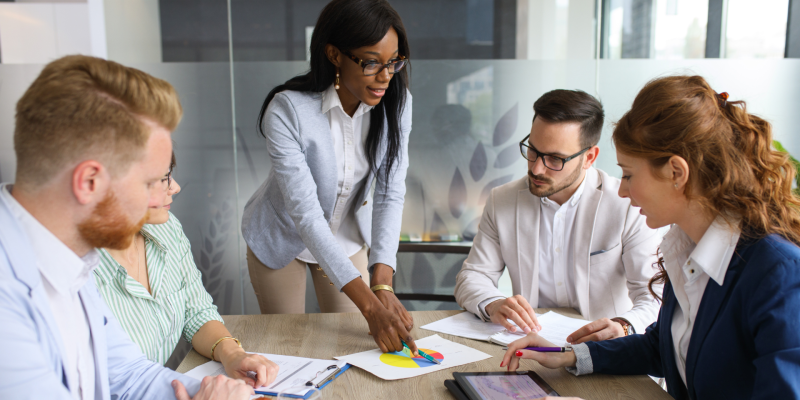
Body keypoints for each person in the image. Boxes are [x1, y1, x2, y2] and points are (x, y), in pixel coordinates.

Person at [502, 76, 800, 399]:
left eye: (629, 174)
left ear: (676, 172)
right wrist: (570, 354)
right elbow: (663, 348)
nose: (622, 189)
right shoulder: (685, 246)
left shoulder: (777, 272)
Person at [0, 55, 253, 399]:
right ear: (89, 182)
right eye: (151, 181)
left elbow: (128, 374)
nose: (167, 191)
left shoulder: (69, 254)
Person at [242, 0, 416, 354]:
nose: (385, 76)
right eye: (371, 62)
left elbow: (390, 192)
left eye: (394, 61)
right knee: (287, 350)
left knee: (357, 349)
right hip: (282, 240)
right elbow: (305, 214)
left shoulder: (398, 102)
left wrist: (382, 284)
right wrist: (370, 305)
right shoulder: (288, 109)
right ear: (335, 55)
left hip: (347, 239)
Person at [454, 89, 661, 343]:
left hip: (605, 352)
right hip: (530, 347)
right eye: (533, 150)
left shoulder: (627, 203)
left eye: (555, 159)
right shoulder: (502, 200)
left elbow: (654, 295)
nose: (537, 168)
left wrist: (625, 326)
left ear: (589, 157)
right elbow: (472, 276)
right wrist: (494, 303)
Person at [94, 152, 279, 388]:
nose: (176, 187)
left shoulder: (167, 228)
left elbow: (197, 311)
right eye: (163, 178)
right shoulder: (80, 274)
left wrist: (232, 354)